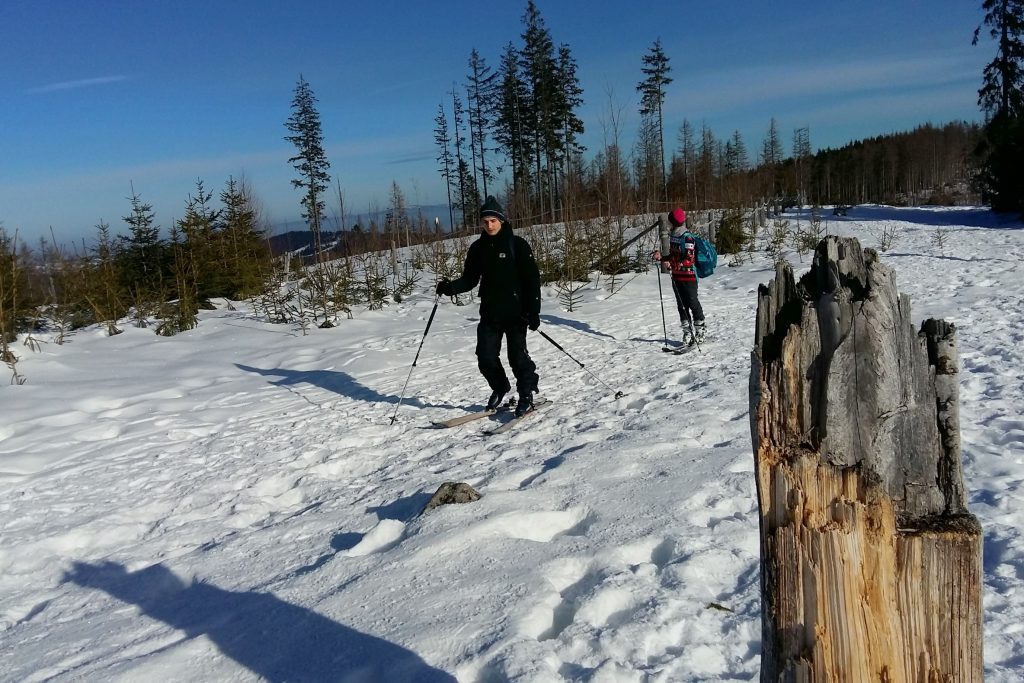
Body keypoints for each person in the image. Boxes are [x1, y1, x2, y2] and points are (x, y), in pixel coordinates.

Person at [436, 196, 542, 417]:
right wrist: (449, 288)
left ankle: (526, 394)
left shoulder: (517, 245)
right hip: (490, 313)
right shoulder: (478, 248)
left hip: (516, 313)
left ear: (502, 220)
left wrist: (533, 311)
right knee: (485, 357)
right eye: (485, 221)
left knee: (517, 357)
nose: (489, 225)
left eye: (493, 220)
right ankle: (500, 386)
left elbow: (532, 279)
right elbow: (470, 279)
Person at [653, 207, 706, 345]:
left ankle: (700, 331)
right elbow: (673, 256)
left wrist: (673, 264)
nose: (669, 224)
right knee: (681, 306)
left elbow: (689, 258)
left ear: (674, 222)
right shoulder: (674, 236)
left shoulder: (687, 237)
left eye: (670, 221)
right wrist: (662, 257)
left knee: (693, 303)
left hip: (688, 276)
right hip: (676, 276)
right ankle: (687, 333)